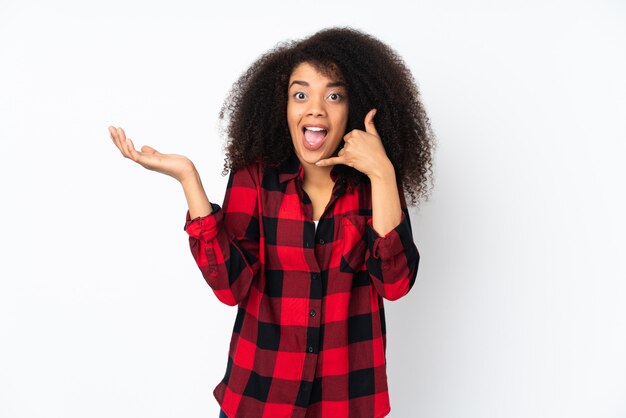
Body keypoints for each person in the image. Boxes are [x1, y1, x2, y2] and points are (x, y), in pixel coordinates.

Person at [109, 27, 434, 418]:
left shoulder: (374, 184)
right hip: (258, 400)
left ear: (355, 106)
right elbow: (231, 288)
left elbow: (394, 284)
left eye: (334, 95)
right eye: (301, 94)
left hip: (346, 403)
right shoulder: (256, 177)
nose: (315, 109)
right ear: (282, 107)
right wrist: (188, 179)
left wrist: (382, 173)